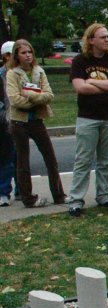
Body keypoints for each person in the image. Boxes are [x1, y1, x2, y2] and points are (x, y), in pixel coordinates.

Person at [67, 23, 108, 217]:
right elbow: (80, 88)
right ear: (91, 40)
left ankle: (104, 195)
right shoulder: (80, 61)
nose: (107, 40)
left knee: (105, 160)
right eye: (102, 37)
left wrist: (92, 81)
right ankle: (75, 200)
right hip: (88, 118)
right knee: (83, 160)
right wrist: (104, 86)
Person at [5, 39, 65, 208]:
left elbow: (49, 95)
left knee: (51, 159)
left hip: (37, 120)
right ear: (17, 55)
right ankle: (28, 198)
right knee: (23, 162)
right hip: (19, 122)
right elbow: (15, 100)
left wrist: (30, 96)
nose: (28, 55)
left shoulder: (39, 71)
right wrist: (38, 99)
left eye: (30, 52)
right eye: (24, 53)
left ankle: (59, 194)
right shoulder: (12, 73)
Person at [0, 41, 15, 207]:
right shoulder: (1, 75)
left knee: (20, 158)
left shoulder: (22, 73)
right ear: (6, 56)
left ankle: (21, 191)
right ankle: (4, 192)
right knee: (7, 157)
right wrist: (5, 117)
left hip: (21, 119)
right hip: (5, 122)